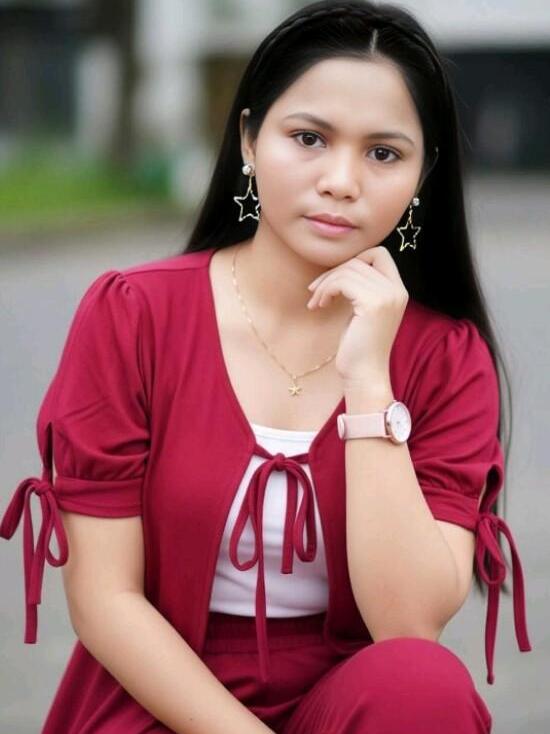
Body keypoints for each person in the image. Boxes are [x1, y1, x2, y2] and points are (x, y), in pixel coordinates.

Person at [0, 1, 533, 732]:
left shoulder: (445, 358)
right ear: (249, 140)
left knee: (422, 686)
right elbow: (104, 599)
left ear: (422, 175)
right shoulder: (134, 316)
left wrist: (369, 382)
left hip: (345, 702)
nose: (341, 180)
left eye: (384, 153)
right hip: (153, 697)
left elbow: (407, 624)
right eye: (309, 138)